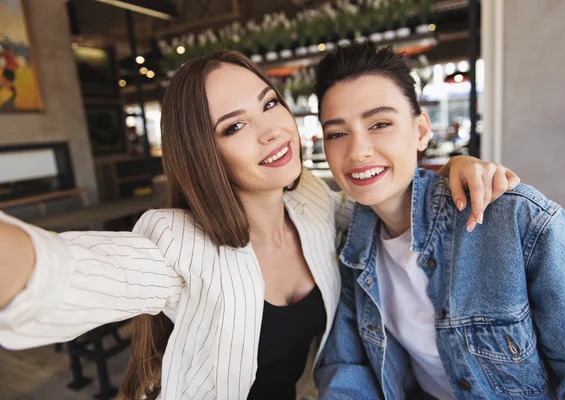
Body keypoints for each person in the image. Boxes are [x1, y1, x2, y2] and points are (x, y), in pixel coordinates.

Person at [0, 50, 517, 400]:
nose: (272, 130)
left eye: (269, 103)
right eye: (235, 126)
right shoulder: (175, 240)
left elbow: (380, 191)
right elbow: (60, 273)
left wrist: (450, 169)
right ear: (206, 154)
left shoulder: (313, 203)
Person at [313, 41, 565, 400]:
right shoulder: (351, 250)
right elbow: (348, 373)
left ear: (421, 131)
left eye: (380, 123)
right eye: (337, 133)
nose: (358, 151)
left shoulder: (513, 219)